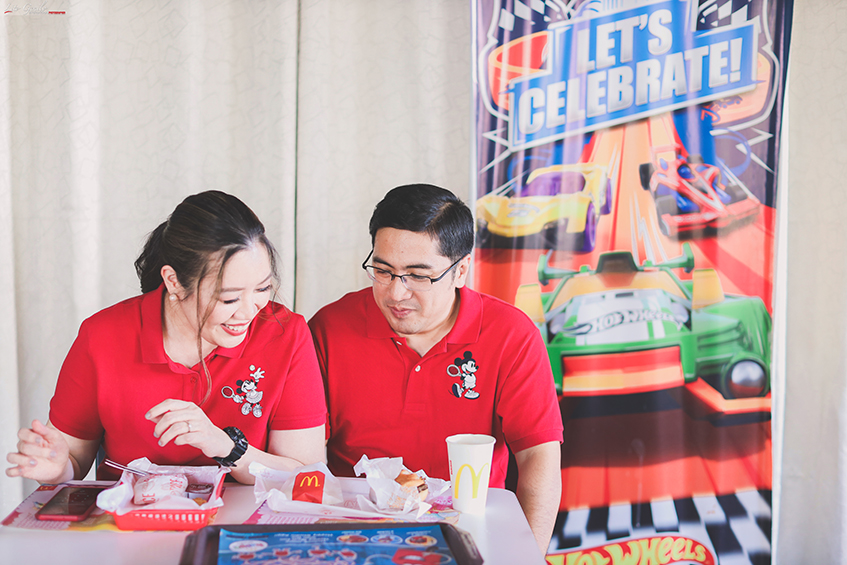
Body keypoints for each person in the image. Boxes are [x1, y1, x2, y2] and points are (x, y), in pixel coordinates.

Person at [6, 191, 327, 485]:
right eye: (229, 298)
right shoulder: (103, 337)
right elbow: (73, 460)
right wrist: (55, 469)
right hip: (130, 522)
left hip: (245, 525)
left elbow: (306, 475)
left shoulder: (285, 334)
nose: (249, 311)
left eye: (262, 289)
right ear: (173, 281)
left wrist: (226, 446)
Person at [308, 184, 563, 552]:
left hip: (470, 533)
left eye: (418, 276)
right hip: (352, 534)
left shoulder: (510, 335)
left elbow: (539, 456)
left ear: (461, 271)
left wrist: (527, 555)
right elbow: (304, 454)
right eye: (383, 270)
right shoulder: (330, 328)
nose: (396, 293)